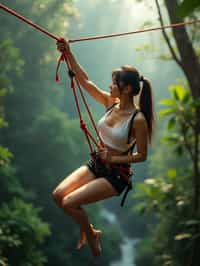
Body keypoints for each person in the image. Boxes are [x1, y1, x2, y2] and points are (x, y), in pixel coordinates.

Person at [53, 38, 155, 257]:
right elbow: (85, 81)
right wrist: (69, 53)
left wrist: (113, 159)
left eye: (114, 82)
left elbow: (142, 156)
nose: (110, 86)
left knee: (69, 202)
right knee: (58, 195)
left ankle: (91, 236)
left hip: (116, 176)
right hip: (97, 164)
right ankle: (91, 231)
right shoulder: (111, 103)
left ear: (127, 89)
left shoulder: (138, 120)